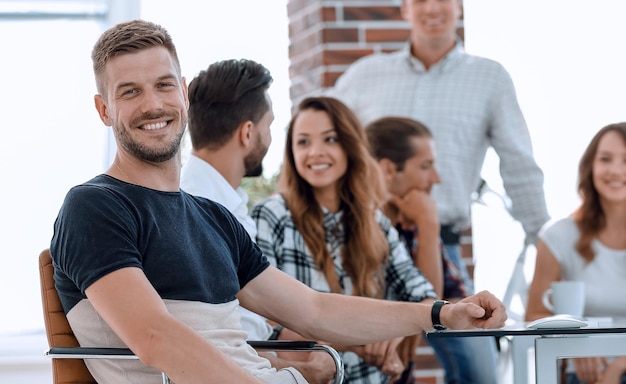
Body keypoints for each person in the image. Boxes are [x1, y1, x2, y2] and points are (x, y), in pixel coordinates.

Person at [49, 19, 507, 384]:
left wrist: (441, 313)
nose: (153, 104)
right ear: (104, 110)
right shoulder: (95, 206)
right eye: (130, 91)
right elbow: (156, 337)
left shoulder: (213, 218)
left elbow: (315, 310)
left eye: (164, 85)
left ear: (184, 94)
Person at [327, 0, 550, 298]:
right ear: (405, 9)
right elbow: (324, 137)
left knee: (471, 342)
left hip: (442, 241)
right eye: (419, 1)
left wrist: (545, 241)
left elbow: (518, 164)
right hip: (367, 240)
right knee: (359, 339)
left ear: (459, 6)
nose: (432, 8)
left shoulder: (490, 78)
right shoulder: (365, 75)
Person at [251, 96, 445, 383]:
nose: (315, 152)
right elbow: (265, 325)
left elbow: (422, 294)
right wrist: (363, 338)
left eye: (330, 139)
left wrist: (395, 332)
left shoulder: (375, 221)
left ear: (350, 146)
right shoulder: (271, 216)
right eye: (303, 142)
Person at [180, 58, 335, 384]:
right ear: (248, 132)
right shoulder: (198, 211)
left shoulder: (220, 201)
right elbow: (211, 347)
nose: (269, 137)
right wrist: (305, 371)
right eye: (268, 125)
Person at [366, 116, 499, 383]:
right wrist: (428, 223)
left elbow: (432, 305)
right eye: (426, 166)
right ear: (388, 170)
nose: (436, 178)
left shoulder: (414, 220)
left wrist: (427, 226)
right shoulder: (360, 226)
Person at [526, 123, 626, 384]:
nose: (615, 170)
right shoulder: (558, 236)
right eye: (605, 159)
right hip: (585, 376)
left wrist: (619, 367)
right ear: (590, 166)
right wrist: (575, 341)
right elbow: (535, 316)